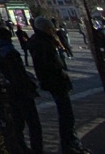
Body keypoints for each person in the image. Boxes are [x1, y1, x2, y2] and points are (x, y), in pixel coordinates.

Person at [29, 18, 90, 154]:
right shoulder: (43, 43)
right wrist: (60, 73)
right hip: (55, 82)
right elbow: (50, 64)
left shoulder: (38, 41)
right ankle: (70, 144)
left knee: (66, 114)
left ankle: (70, 143)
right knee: (66, 114)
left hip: (52, 81)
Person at [0, 26, 43, 154]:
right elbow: (18, 75)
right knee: (33, 124)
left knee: (17, 123)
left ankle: (20, 147)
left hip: (9, 92)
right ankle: (36, 150)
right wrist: (28, 88)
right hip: (20, 92)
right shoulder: (9, 52)